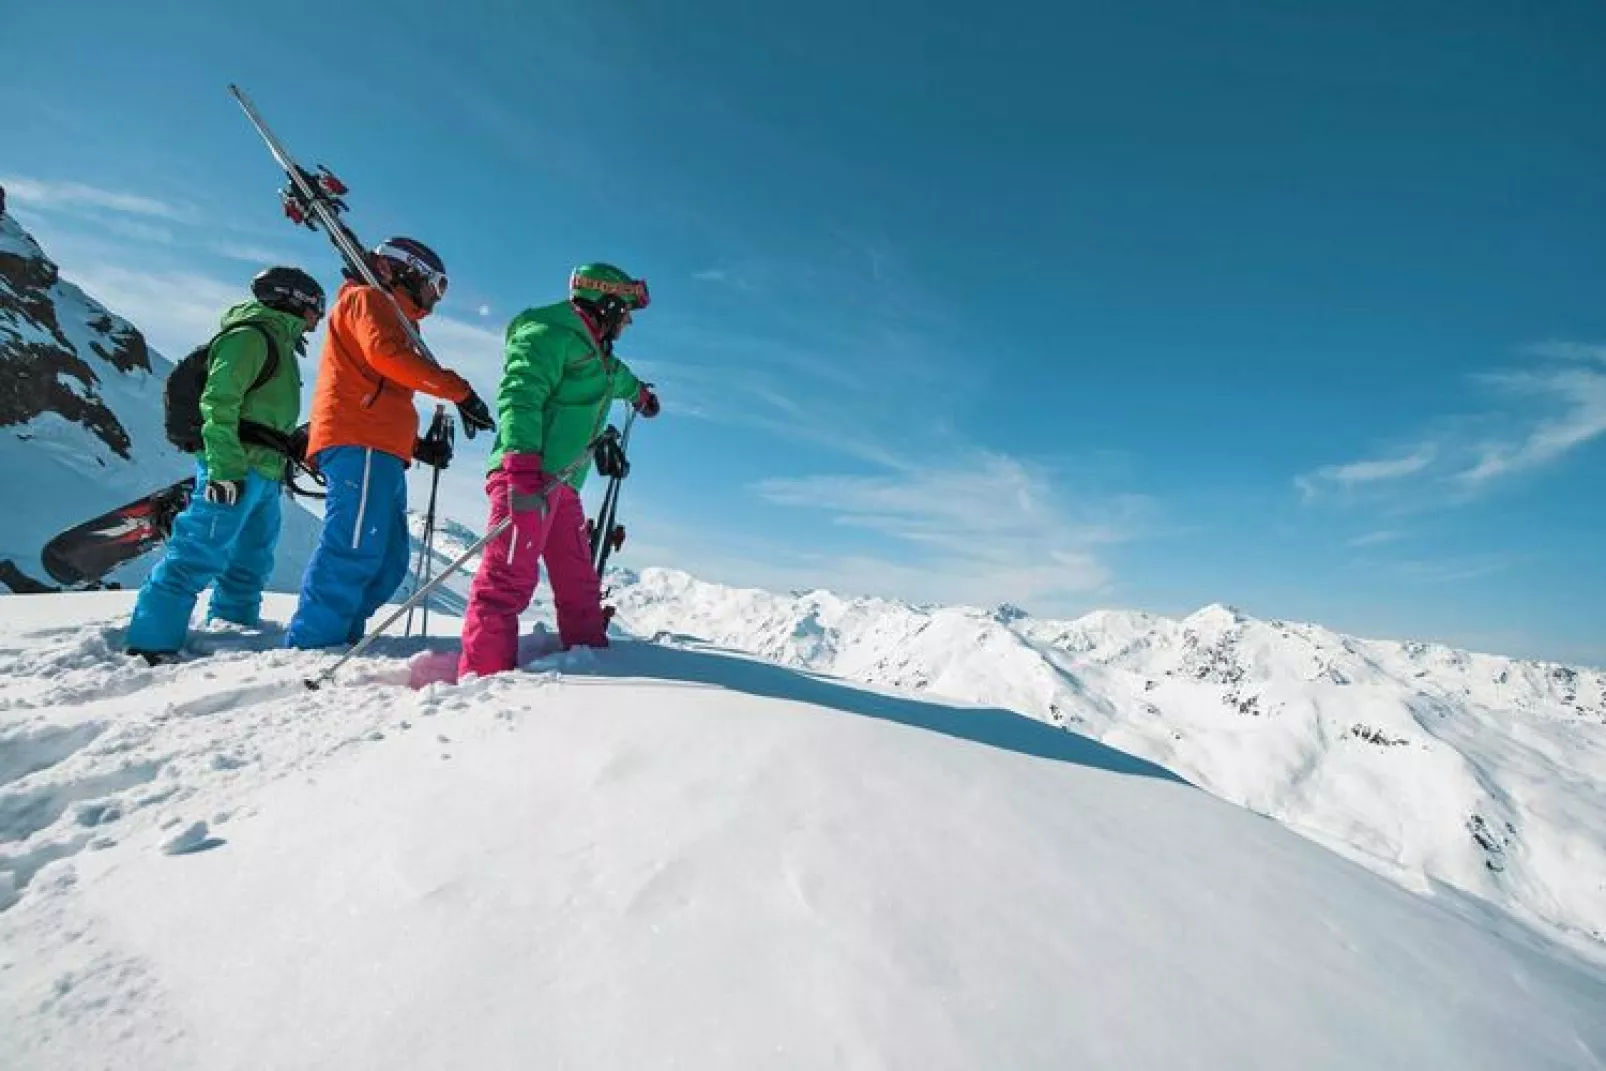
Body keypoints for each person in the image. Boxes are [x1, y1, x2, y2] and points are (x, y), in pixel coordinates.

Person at [284, 237, 495, 649]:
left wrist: (418, 447)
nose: (434, 297)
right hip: (358, 441)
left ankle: (341, 638)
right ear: (406, 270)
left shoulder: (399, 319)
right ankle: (312, 644)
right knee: (355, 546)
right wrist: (459, 392)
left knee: (390, 559)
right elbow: (384, 357)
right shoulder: (367, 299)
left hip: (380, 447)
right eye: (433, 285)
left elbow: (381, 392)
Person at [458, 263, 660, 679]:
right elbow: (520, 396)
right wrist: (520, 466)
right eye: (624, 310)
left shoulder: (599, 355)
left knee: (578, 582)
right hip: (528, 476)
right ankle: (481, 682)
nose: (626, 321)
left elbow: (619, 379)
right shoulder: (547, 334)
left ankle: (591, 660)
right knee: (507, 581)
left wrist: (641, 395)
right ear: (605, 302)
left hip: (563, 485)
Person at [126, 267, 325, 663]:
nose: (319, 317)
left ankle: (228, 634)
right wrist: (222, 469)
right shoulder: (250, 337)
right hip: (235, 468)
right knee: (196, 553)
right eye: (316, 306)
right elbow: (218, 405)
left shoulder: (280, 345)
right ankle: (151, 642)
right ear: (292, 299)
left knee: (250, 562)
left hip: (265, 474)